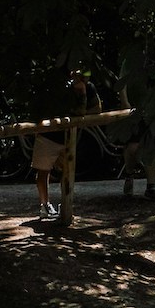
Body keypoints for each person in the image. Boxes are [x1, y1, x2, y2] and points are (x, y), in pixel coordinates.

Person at [33, 69, 101, 227]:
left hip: (69, 138)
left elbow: (95, 109)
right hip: (47, 136)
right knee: (43, 171)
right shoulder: (59, 88)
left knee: (67, 171)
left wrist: (83, 94)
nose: (83, 77)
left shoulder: (89, 87)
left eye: (86, 74)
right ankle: (44, 205)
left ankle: (65, 206)